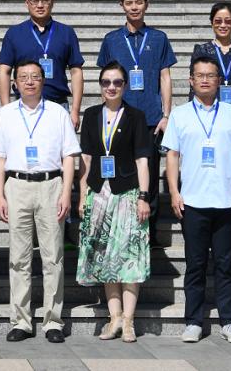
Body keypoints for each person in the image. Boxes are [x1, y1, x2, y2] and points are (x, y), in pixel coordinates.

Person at [163, 56, 231, 344]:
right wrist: (174, 192)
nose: (205, 80)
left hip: (227, 201)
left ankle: (229, 321)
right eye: (199, 75)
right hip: (192, 201)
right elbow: (172, 156)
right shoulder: (179, 115)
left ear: (219, 80)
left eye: (210, 75)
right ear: (191, 80)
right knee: (195, 264)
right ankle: (193, 321)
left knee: (226, 264)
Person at [0, 60, 78, 343]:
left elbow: (69, 156)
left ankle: (53, 321)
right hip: (17, 185)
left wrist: (66, 193)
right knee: (19, 258)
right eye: (24, 77)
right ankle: (21, 321)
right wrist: (0, 194)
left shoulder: (57, 113)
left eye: (35, 76)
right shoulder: (5, 115)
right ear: (14, 83)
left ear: (43, 80)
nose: (29, 81)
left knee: (53, 257)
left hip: (51, 185)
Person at [76, 61, 152, 343]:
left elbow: (142, 159)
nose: (111, 87)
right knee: (106, 257)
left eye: (117, 82)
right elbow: (85, 158)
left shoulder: (135, 116)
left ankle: (129, 320)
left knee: (129, 258)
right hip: (99, 193)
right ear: (100, 85)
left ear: (125, 85)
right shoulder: (91, 114)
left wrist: (143, 196)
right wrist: (82, 194)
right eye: (106, 82)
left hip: (127, 193)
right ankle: (114, 317)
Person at [97, 0, 176, 248]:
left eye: (139, 2)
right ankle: (118, 228)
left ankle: (148, 232)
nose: (134, 7)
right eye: (129, 3)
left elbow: (165, 77)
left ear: (146, 5)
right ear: (122, 5)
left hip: (151, 118)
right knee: (120, 172)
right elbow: (105, 79)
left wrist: (167, 114)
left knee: (149, 175)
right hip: (120, 116)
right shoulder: (111, 39)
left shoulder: (158, 38)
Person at [0, 0, 85, 128]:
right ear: (27, 3)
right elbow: (4, 71)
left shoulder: (66, 33)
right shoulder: (14, 33)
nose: (40, 5)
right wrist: (6, 109)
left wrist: (75, 110)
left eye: (45, 0)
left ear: (52, 3)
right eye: (35, 1)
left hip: (57, 104)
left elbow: (76, 71)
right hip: (23, 106)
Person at [190, 2, 231, 125]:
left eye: (228, 21)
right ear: (212, 23)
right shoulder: (202, 50)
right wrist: (193, 115)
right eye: (218, 21)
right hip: (208, 109)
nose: (223, 25)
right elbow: (194, 86)